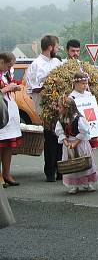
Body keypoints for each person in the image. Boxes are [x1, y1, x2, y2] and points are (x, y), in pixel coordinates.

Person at [25, 35, 62, 182]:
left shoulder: (57, 62)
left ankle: (62, 170)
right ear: (50, 47)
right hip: (46, 107)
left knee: (61, 139)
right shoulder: (36, 64)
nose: (58, 49)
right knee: (51, 140)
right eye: (57, 46)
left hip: (60, 106)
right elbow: (31, 88)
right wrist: (48, 85)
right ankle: (50, 171)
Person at [54, 95, 98, 194]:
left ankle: (87, 183)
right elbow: (60, 133)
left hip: (80, 143)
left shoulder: (78, 119)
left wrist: (75, 142)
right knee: (71, 164)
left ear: (67, 108)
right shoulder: (61, 120)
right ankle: (75, 185)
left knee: (83, 161)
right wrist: (66, 142)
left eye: (60, 107)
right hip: (69, 144)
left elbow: (84, 132)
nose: (58, 109)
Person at [0, 52, 23, 187]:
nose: (9, 69)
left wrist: (13, 86)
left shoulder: (6, 74)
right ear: (1, 61)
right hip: (1, 113)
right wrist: (8, 88)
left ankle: (7, 174)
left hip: (10, 112)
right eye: (8, 66)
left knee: (8, 146)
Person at [69, 71, 98, 151]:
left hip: (90, 124)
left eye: (86, 83)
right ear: (76, 83)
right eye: (83, 83)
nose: (85, 86)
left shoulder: (88, 94)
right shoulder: (72, 97)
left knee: (90, 150)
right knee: (81, 149)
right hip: (79, 127)